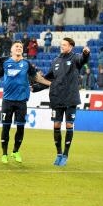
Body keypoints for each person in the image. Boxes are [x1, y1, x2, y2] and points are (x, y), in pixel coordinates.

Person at [0, 41, 50, 163]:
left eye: (20, 47)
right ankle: (4, 154)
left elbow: (37, 78)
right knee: (6, 127)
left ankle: (15, 151)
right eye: (16, 47)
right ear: (11, 50)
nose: (19, 48)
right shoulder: (5, 62)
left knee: (20, 127)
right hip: (7, 101)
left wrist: (51, 84)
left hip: (21, 101)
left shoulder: (26, 64)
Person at [42, 38, 89, 166]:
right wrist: (34, 87)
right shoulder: (56, 60)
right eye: (61, 44)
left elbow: (83, 60)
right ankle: (58, 153)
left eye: (64, 45)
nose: (61, 46)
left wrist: (86, 54)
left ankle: (65, 155)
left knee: (68, 125)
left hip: (70, 98)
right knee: (56, 125)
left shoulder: (75, 58)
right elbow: (48, 78)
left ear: (71, 46)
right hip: (57, 98)